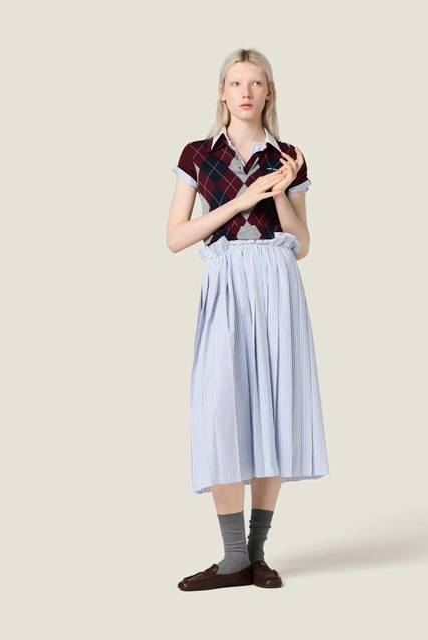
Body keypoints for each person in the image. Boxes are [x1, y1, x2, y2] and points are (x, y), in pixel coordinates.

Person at [167, 48, 330, 591]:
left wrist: (280, 193)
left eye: (256, 83)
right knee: (223, 409)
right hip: (227, 282)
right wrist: (239, 202)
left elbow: (302, 244)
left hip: (277, 284)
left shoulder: (288, 157)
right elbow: (176, 237)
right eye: (236, 82)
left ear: (268, 93)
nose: (245, 92)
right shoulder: (198, 154)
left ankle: (254, 556)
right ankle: (232, 556)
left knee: (273, 408)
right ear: (222, 92)